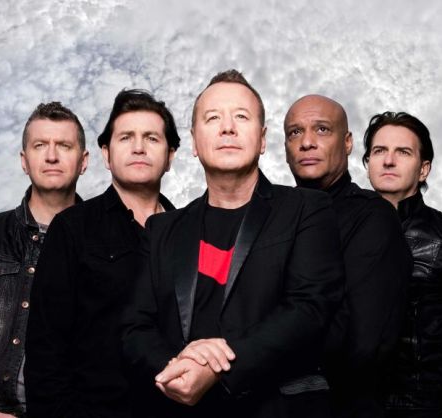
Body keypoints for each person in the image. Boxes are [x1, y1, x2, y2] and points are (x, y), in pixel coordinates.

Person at [122, 70, 344, 418]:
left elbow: (309, 308)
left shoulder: (307, 209)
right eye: (213, 118)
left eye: (241, 116)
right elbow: (136, 327)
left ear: (262, 139)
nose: (227, 128)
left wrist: (218, 369)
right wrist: (176, 368)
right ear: (194, 142)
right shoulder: (162, 229)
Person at [24, 90, 180, 418]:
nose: (138, 147)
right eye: (126, 137)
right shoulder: (72, 228)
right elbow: (45, 352)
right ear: (106, 155)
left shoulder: (192, 232)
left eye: (151, 138)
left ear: (170, 156)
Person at [284, 95, 411, 418]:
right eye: (295, 132)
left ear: (348, 142)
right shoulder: (273, 217)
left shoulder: (373, 217)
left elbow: (362, 346)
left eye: (322, 129)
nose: (307, 142)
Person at [0, 102, 88, 418]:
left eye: (64, 145)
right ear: (24, 161)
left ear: (84, 161)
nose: (51, 156)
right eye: (40, 145)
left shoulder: (105, 243)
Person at [363, 111, 442, 418]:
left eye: (403, 152)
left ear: (423, 169)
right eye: (379, 151)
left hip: (422, 407)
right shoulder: (341, 228)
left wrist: (434, 391)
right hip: (350, 405)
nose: (388, 160)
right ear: (367, 163)